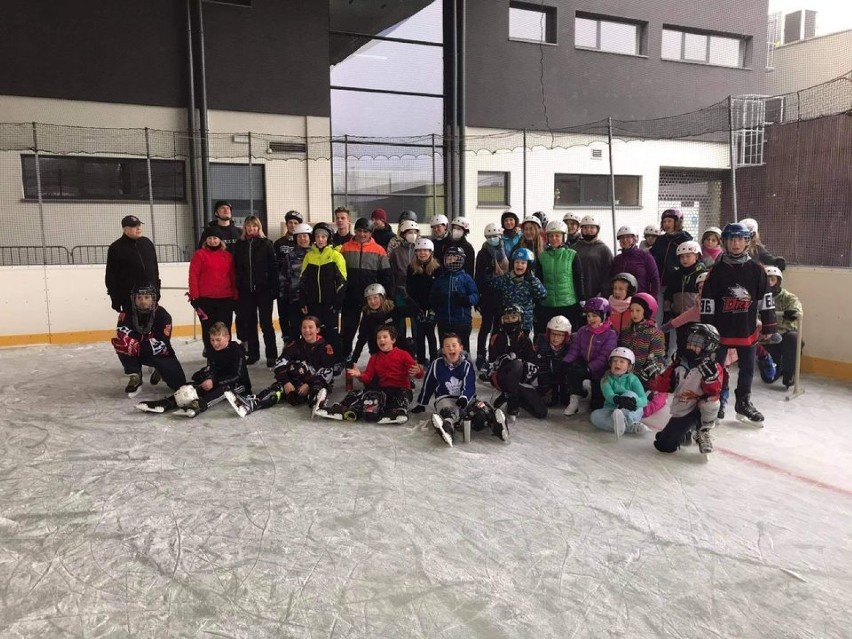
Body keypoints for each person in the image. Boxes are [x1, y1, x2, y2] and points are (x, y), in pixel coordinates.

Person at [700, 222, 778, 424]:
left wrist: (769, 325)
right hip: (720, 329)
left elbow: (765, 299)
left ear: (747, 242)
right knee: (717, 368)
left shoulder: (756, 269)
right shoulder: (716, 271)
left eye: (740, 239)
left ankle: (743, 402)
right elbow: (707, 301)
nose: (735, 243)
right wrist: (707, 327)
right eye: (731, 239)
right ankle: (716, 401)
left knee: (747, 369)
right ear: (725, 242)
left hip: (747, 328)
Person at [225, 315, 335, 417]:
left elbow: (327, 372)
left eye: (311, 327)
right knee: (276, 389)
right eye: (304, 327)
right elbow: (279, 363)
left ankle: (317, 402)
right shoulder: (295, 345)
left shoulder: (325, 348)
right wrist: (286, 382)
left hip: (313, 383)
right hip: (293, 383)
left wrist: (308, 384)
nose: (307, 330)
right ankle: (252, 404)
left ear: (317, 330)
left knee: (317, 388)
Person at [136, 321, 251, 418]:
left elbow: (238, 375)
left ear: (227, 338)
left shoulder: (236, 351)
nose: (215, 343)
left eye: (218, 339)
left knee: (223, 388)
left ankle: (199, 406)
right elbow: (214, 369)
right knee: (191, 386)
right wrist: (206, 378)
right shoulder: (213, 351)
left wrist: (214, 382)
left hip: (239, 386)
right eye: (212, 340)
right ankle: (167, 403)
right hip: (220, 380)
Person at [412, 333, 508, 446]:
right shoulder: (436, 364)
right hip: (445, 398)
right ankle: (447, 428)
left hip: (466, 399)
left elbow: (469, 385)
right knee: (450, 412)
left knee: (482, 411)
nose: (451, 348)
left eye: (454, 345)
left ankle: (495, 424)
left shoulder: (467, 365)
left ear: (461, 348)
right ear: (443, 350)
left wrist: (465, 398)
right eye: (447, 346)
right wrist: (422, 403)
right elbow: (429, 384)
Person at [318, 326, 423, 424]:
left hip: (402, 389)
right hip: (384, 391)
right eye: (379, 338)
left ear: (393, 340)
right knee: (358, 393)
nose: (381, 340)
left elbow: (419, 375)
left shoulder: (403, 355)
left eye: (385, 337)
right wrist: (359, 375)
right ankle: (340, 408)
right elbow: (368, 378)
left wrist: (418, 370)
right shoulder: (374, 357)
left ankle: (397, 411)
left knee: (401, 396)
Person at [647, 324, 723, 455]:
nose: (692, 347)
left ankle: (704, 431)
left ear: (708, 346)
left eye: (697, 344)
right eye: (690, 342)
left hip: (701, 410)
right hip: (685, 410)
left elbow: (714, 392)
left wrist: (710, 379)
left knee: (711, 401)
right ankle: (686, 433)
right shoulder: (679, 364)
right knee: (664, 445)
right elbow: (665, 385)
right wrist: (651, 378)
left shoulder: (713, 368)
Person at [111, 284, 186, 397]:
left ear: (153, 299)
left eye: (147, 297)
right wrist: (133, 344)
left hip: (159, 354)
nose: (143, 301)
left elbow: (162, 343)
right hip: (136, 352)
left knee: (179, 383)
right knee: (123, 345)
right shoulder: (126, 314)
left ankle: (159, 369)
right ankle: (135, 375)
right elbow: (123, 335)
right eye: (139, 297)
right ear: (134, 298)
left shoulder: (163, 316)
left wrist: (137, 345)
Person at [339, 218, 392, 361]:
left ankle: (377, 357)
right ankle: (345, 356)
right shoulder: (345, 248)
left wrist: (385, 296)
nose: (362, 234)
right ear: (355, 231)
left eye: (366, 232)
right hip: (350, 297)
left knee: (372, 330)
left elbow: (386, 275)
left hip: (372, 299)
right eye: (360, 231)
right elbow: (339, 273)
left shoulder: (379, 250)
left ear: (371, 233)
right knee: (348, 329)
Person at [485, 304, 548, 420]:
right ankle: (512, 399)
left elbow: (532, 364)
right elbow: (491, 365)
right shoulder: (497, 338)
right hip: (502, 378)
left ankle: (510, 395)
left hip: (520, 380)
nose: (510, 321)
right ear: (502, 321)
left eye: (514, 317)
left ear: (520, 319)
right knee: (516, 364)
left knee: (541, 412)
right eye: (507, 318)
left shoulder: (525, 339)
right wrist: (507, 361)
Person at [233, 215, 279, 366]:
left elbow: (273, 268)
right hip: (246, 291)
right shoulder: (240, 245)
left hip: (264, 290)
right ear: (245, 228)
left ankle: (271, 355)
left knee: (266, 324)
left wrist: (274, 288)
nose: (252, 229)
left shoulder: (267, 244)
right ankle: (253, 354)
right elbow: (236, 268)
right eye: (249, 226)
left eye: (255, 226)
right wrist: (238, 287)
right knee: (250, 322)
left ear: (259, 228)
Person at [562, 297, 618, 415]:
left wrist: (589, 368)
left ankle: (595, 395)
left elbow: (604, 357)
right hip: (584, 363)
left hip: (600, 369)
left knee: (595, 406)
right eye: (588, 316)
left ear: (604, 316)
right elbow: (575, 349)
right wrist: (566, 361)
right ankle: (575, 399)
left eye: (594, 315)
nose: (590, 319)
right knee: (573, 370)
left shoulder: (611, 334)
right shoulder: (583, 330)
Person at [188, 226, 238, 357]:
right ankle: (211, 358)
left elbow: (232, 277)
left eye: (215, 238)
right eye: (209, 238)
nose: (212, 241)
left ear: (220, 240)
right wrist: (195, 297)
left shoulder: (227, 256)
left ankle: (226, 356)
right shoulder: (199, 255)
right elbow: (193, 276)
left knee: (224, 328)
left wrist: (235, 296)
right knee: (208, 329)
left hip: (225, 299)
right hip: (205, 300)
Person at [299, 222, 346, 358]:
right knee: (315, 333)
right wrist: (303, 301)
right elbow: (303, 281)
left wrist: (337, 303)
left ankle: (336, 360)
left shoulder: (335, 256)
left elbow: (342, 282)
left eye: (323, 237)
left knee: (331, 333)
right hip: (313, 304)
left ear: (328, 238)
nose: (320, 239)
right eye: (318, 236)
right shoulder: (309, 256)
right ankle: (315, 358)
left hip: (330, 304)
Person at [619, 292, 667, 418]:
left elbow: (659, 358)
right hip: (626, 374)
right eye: (632, 310)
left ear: (647, 312)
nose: (634, 314)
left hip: (644, 378)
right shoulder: (626, 331)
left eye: (638, 311)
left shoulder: (655, 333)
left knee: (642, 407)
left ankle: (656, 396)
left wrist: (650, 371)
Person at [757, 265, 803, 388]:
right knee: (768, 378)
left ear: (779, 281)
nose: (770, 283)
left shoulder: (787, 297)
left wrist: (792, 312)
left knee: (794, 338)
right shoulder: (758, 298)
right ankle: (779, 367)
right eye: (766, 280)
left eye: (773, 279)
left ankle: (789, 373)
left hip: (785, 335)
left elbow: (797, 310)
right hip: (767, 338)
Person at [590, 347, 649, 438]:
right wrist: (618, 399)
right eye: (615, 361)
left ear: (629, 366)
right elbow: (608, 394)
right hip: (612, 409)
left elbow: (644, 400)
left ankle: (623, 421)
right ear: (610, 363)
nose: (617, 363)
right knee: (594, 416)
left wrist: (634, 401)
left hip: (631, 410)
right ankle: (630, 427)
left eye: (622, 361)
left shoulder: (633, 379)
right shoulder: (606, 379)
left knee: (629, 393)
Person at [105, 215, 160, 313]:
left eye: (139, 225)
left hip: (150, 296)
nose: (138, 228)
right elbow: (111, 276)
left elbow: (155, 268)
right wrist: (115, 299)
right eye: (134, 226)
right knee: (133, 326)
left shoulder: (147, 243)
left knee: (151, 325)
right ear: (126, 230)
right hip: (129, 298)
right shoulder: (116, 248)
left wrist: (157, 289)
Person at [474, 222, 510, 369]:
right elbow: (478, 276)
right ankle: (481, 355)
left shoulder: (505, 250)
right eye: (489, 237)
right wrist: (478, 298)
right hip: (487, 296)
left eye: (495, 236)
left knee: (498, 328)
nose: (492, 239)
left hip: (502, 296)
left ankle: (494, 354)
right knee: (485, 327)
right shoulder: (482, 253)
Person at [537, 219, 584, 333]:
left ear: (563, 237)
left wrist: (582, 298)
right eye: (551, 236)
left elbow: (578, 278)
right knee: (547, 335)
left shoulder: (572, 255)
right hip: (547, 304)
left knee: (569, 335)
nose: (554, 239)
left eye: (557, 236)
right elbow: (539, 280)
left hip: (568, 303)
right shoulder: (542, 257)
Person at [430, 246, 479, 351]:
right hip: (444, 320)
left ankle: (465, 363)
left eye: (454, 257)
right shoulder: (441, 279)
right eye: (449, 257)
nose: (451, 259)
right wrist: (436, 300)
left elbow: (475, 295)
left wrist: (466, 299)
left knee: (463, 346)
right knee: (445, 345)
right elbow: (432, 296)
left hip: (462, 320)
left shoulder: (466, 278)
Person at [663, 240, 707, 355]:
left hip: (696, 319)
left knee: (696, 346)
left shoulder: (703, 274)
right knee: (681, 345)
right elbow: (668, 294)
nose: (684, 259)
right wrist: (668, 312)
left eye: (688, 256)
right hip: (679, 317)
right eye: (682, 257)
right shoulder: (676, 275)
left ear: (697, 256)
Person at [491, 248, 547, 336]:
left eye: (523, 263)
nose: (519, 265)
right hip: (508, 319)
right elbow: (494, 285)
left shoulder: (532, 280)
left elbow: (543, 294)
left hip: (525, 321)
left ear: (528, 265)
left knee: (522, 344)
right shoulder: (507, 278)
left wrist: (532, 281)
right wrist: (490, 274)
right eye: (517, 262)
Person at [276, 222, 312, 348]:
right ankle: (294, 356)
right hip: (294, 300)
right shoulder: (290, 256)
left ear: (310, 237)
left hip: (312, 300)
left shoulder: (316, 255)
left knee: (311, 331)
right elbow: (283, 278)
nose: (303, 239)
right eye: (299, 236)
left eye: (305, 236)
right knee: (295, 331)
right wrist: (283, 298)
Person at [406, 238, 440, 366]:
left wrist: (433, 309)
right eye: (420, 250)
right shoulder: (411, 268)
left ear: (431, 252)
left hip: (432, 306)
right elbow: (410, 290)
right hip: (418, 306)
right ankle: (420, 360)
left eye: (425, 250)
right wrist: (417, 309)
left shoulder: (437, 268)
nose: (423, 253)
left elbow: (438, 290)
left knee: (430, 333)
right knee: (419, 334)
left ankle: (434, 359)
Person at [387, 218, 420, 339]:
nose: (413, 235)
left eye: (415, 232)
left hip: (415, 293)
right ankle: (401, 347)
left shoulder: (419, 250)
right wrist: (393, 293)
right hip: (400, 293)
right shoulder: (396, 252)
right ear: (403, 234)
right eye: (409, 232)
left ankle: (416, 349)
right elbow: (393, 274)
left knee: (417, 323)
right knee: (399, 323)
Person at [349, 283, 396, 366]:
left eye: (375, 298)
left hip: (394, 350)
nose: (372, 302)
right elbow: (362, 338)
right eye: (369, 299)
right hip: (376, 351)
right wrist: (354, 359)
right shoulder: (367, 315)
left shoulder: (392, 311)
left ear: (382, 297)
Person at [609, 225, 660, 298]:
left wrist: (653, 299)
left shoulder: (645, 256)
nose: (624, 240)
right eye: (622, 238)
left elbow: (655, 279)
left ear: (634, 238)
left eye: (628, 237)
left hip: (640, 300)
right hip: (621, 300)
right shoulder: (617, 259)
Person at [650, 208, 693, 294]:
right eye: (664, 221)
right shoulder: (660, 240)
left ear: (677, 222)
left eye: (669, 221)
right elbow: (652, 256)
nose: (666, 224)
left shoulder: (685, 240)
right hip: (660, 283)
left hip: (678, 284)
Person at [534, 315, 572, 407]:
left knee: (566, 401)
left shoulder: (571, 346)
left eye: (559, 335)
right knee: (548, 401)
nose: (555, 338)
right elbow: (542, 370)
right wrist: (545, 389)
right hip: (548, 376)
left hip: (564, 377)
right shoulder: (542, 345)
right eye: (553, 334)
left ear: (566, 336)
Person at [573, 214, 613, 300]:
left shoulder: (604, 249)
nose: (588, 230)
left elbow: (608, 274)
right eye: (585, 228)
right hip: (575, 294)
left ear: (597, 230)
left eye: (592, 228)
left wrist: (603, 292)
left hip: (596, 294)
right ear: (581, 229)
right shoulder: (574, 248)